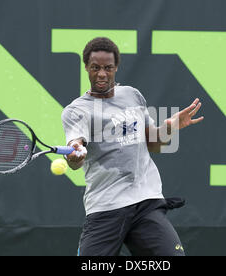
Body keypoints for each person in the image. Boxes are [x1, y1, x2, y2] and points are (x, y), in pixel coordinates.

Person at [61, 37, 204, 256]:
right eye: (95, 68)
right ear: (86, 68)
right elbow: (75, 148)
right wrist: (76, 154)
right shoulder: (76, 111)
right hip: (106, 206)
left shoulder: (132, 95)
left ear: (116, 67)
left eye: (108, 68)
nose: (101, 74)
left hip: (145, 202)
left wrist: (172, 126)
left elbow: (154, 144)